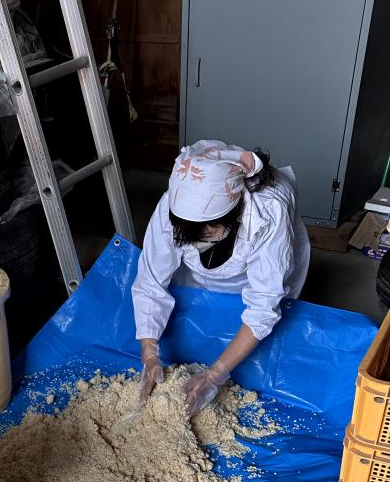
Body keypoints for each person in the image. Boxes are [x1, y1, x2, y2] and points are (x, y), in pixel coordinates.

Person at [132, 139, 310, 414]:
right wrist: (149, 351)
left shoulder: (268, 211)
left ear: (235, 211)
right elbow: (150, 281)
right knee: (200, 295)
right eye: (191, 235)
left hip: (257, 268)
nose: (200, 240)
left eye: (208, 231)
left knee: (270, 317)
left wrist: (214, 375)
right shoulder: (174, 204)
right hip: (202, 274)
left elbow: (263, 306)